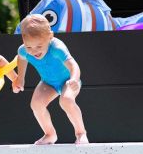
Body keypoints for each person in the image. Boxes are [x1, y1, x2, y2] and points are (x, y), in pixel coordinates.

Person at [12, 14, 89, 145]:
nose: (34, 51)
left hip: (68, 81)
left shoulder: (57, 48)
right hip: (48, 82)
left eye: (39, 46)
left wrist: (74, 79)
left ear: (50, 37)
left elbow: (73, 65)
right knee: (36, 105)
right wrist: (20, 78)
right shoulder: (24, 50)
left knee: (66, 100)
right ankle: (49, 134)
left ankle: (81, 133)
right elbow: (21, 58)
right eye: (29, 46)